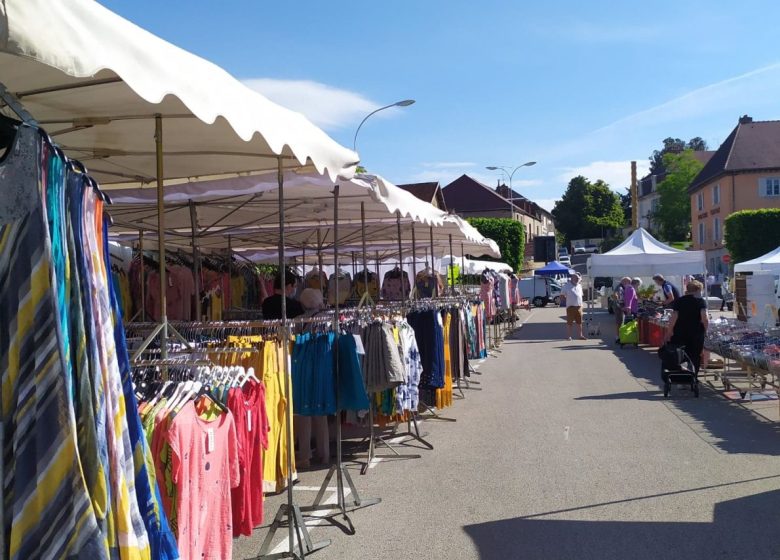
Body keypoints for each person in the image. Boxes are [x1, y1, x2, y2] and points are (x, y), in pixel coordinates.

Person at [294, 288, 330, 468]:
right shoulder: (329, 319)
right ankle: (325, 453)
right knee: (321, 410)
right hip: (324, 367)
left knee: (304, 412)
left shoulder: (299, 321)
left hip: (305, 367)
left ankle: (305, 454)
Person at [667, 280, 709, 374]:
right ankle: (693, 376)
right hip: (696, 333)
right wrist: (706, 330)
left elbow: (673, 317)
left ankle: (682, 378)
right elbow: (704, 318)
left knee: (681, 355)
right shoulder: (700, 301)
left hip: (680, 332)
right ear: (698, 290)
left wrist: (669, 331)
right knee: (695, 355)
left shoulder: (679, 301)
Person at [562, 272, 586, 340]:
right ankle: (569, 336)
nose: (578, 279)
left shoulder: (579, 286)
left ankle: (580, 335)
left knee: (580, 322)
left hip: (579, 306)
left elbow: (581, 296)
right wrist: (564, 299)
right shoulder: (566, 286)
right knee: (570, 322)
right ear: (572, 278)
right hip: (571, 307)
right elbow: (562, 295)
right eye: (577, 278)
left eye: (579, 278)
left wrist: (582, 306)